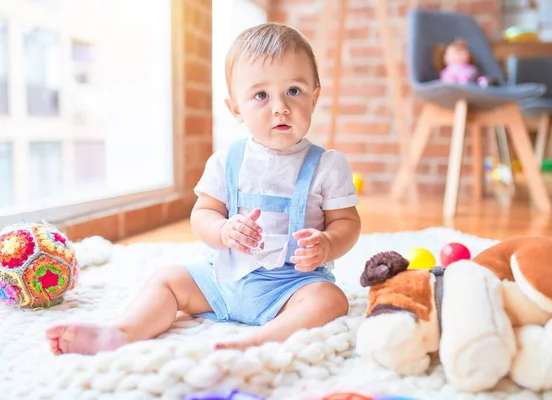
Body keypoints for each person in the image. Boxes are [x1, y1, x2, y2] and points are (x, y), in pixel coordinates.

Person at [45, 22, 361, 355]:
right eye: (261, 95)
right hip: (222, 278)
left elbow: (348, 223)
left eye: (294, 91)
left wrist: (327, 243)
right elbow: (203, 214)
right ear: (236, 108)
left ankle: (264, 339)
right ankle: (121, 333)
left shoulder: (328, 165)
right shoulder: (227, 160)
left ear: (315, 97)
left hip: (292, 284)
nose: (280, 106)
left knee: (329, 299)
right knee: (167, 278)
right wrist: (223, 230)